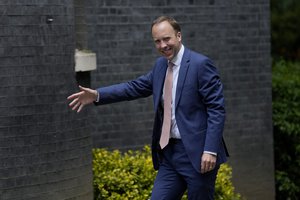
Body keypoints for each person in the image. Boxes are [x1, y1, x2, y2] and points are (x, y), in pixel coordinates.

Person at [67, 16, 228, 200]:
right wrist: (97, 95)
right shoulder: (160, 66)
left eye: (167, 39)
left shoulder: (200, 65)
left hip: (199, 155)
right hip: (170, 154)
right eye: (157, 41)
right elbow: (133, 88)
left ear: (178, 36)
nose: (163, 45)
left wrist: (210, 150)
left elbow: (216, 109)